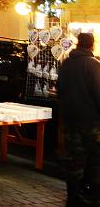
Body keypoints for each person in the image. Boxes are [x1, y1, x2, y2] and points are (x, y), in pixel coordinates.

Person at [59, 32, 100, 205]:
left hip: (70, 122)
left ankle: (73, 196)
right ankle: (92, 196)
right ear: (91, 45)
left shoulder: (66, 64)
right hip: (90, 122)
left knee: (73, 161)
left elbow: (60, 90)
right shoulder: (93, 65)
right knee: (94, 160)